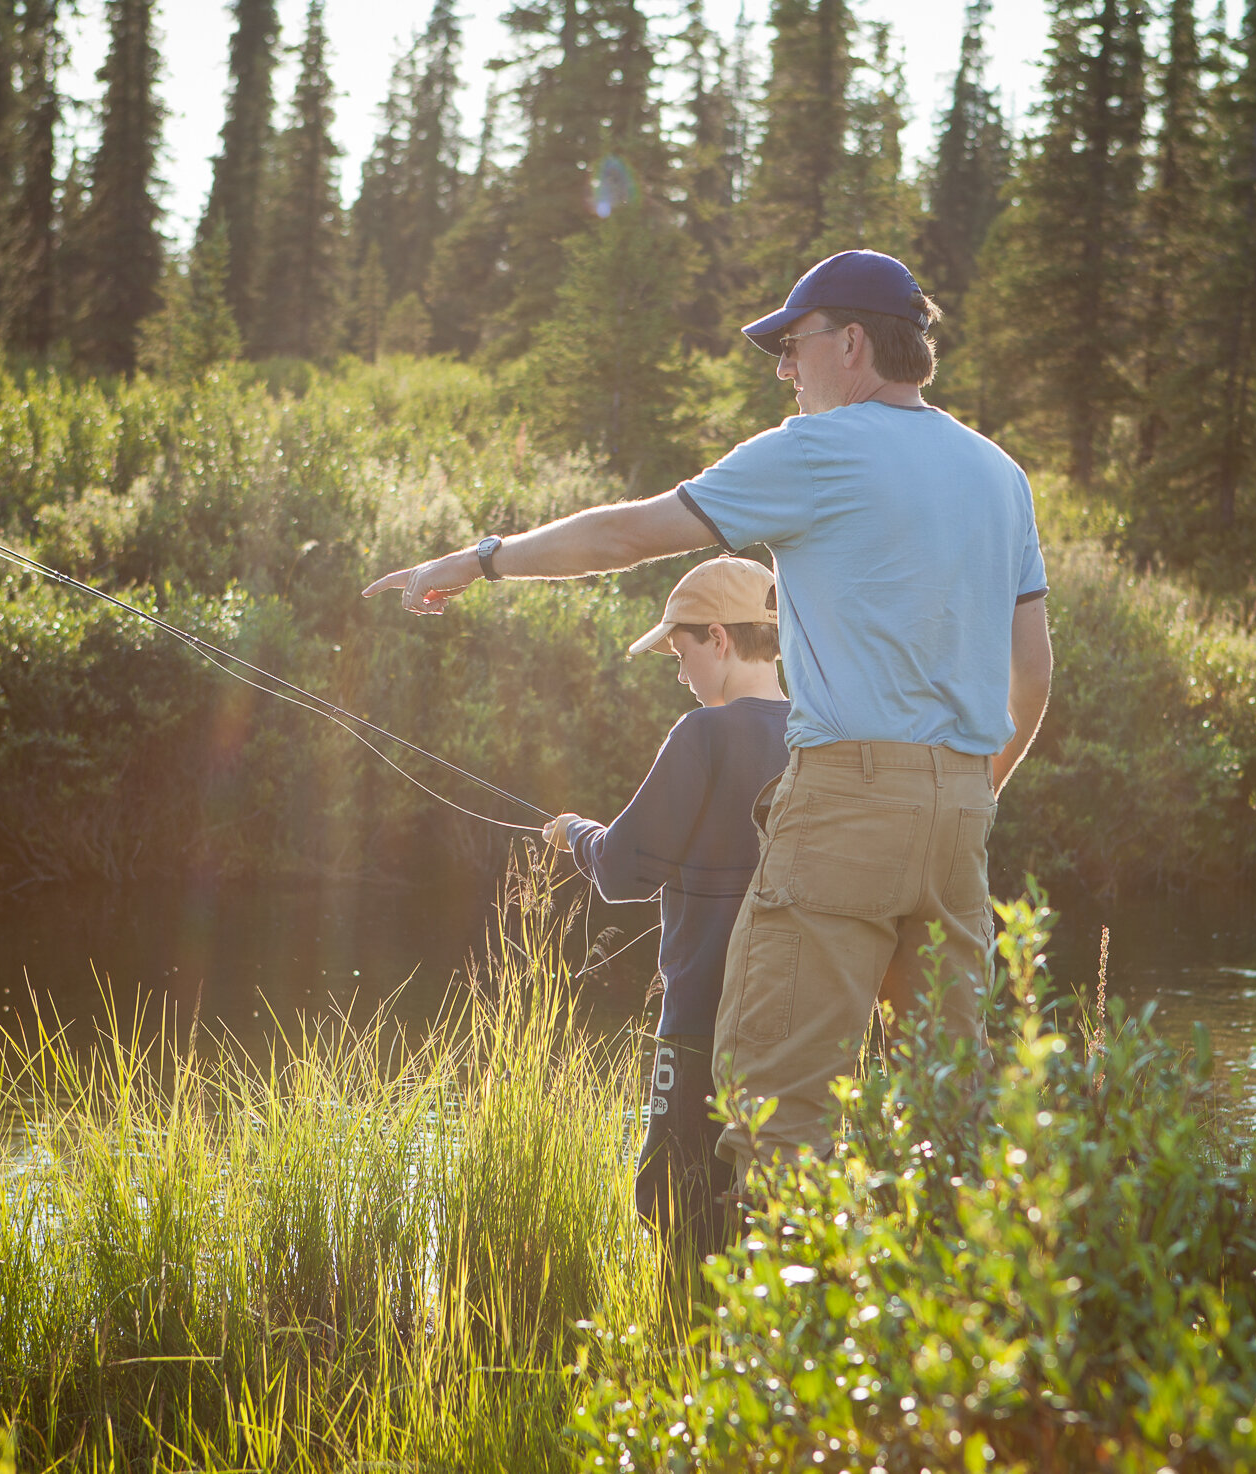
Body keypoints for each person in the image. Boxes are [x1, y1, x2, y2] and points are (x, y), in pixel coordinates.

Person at [364, 248, 1053, 1177]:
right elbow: (1034, 681)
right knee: (948, 1120)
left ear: (852, 344)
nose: (783, 369)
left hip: (844, 805)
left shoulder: (818, 449)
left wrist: (478, 560)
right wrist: (967, 793)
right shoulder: (1001, 475)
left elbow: (628, 533)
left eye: (792, 346)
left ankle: (772, 1325)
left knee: (775, 1112)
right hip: (963, 817)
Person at [541, 557, 790, 1252]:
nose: (681, 675)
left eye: (681, 654)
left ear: (718, 638)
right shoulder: (820, 735)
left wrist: (576, 834)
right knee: (770, 1218)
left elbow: (622, 870)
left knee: (678, 1210)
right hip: (796, 1032)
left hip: (700, 1025)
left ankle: (682, 1352)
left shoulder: (703, 734)